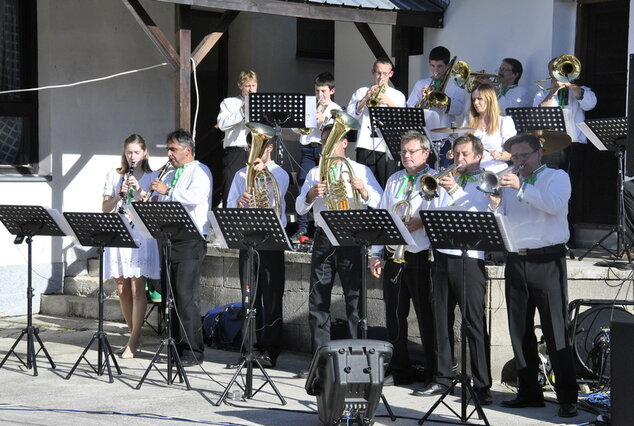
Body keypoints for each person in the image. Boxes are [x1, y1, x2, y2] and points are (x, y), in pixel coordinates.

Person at [488, 133, 578, 418]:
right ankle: (529, 392)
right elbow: (508, 221)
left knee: (555, 329)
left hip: (547, 259)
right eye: (514, 157)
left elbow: (553, 205)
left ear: (539, 153)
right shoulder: (510, 179)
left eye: (524, 156)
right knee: (520, 330)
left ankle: (567, 397)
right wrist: (495, 206)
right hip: (516, 259)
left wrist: (522, 186)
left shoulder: (557, 177)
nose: (519, 162)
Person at [413, 134, 492, 406]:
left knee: (473, 323)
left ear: (478, 156)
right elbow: (431, 214)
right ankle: (442, 377)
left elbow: (480, 213)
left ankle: (482, 385)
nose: (459, 159)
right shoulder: (443, 179)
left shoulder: (485, 180)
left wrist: (455, 189)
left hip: (469, 260)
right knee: (440, 321)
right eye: (456, 154)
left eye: (465, 155)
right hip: (442, 257)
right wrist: (433, 194)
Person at [295, 123, 382, 367]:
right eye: (325, 143)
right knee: (318, 299)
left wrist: (364, 191)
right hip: (324, 236)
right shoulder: (314, 173)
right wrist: (311, 195)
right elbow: (300, 208)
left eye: (333, 142)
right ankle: (320, 359)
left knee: (354, 300)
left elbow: (380, 201)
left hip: (352, 237)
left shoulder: (360, 170)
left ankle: (357, 361)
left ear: (344, 143)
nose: (328, 147)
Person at [369, 131, 440, 386]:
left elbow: (440, 214)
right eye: (403, 152)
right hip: (393, 254)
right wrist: (375, 254)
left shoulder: (434, 179)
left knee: (426, 315)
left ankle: (434, 374)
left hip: (421, 255)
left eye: (411, 151)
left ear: (426, 153)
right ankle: (400, 370)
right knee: (394, 315)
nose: (406, 156)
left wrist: (422, 222)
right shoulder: (394, 179)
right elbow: (383, 217)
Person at [149, 129, 213, 367]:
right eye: (168, 149)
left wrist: (168, 192)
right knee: (170, 295)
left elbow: (195, 197)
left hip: (191, 240)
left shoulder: (200, 171)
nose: (169, 154)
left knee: (186, 296)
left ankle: (193, 350)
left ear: (187, 150)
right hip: (169, 238)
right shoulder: (170, 173)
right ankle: (173, 344)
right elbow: (167, 199)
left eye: (173, 149)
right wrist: (155, 200)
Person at [226, 132, 289, 369]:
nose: (253, 152)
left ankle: (271, 351)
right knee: (248, 297)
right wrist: (239, 201)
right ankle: (249, 349)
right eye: (251, 146)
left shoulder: (279, 173)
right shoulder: (240, 174)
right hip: (248, 240)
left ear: (269, 148)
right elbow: (230, 204)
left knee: (272, 298)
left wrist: (261, 173)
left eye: (259, 147)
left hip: (271, 241)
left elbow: (275, 203)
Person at [102, 134, 160, 359]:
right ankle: (133, 334)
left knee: (137, 288)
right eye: (129, 152)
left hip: (141, 235)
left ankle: (134, 341)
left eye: (136, 152)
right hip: (119, 232)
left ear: (144, 152)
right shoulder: (114, 175)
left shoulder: (153, 176)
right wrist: (119, 195)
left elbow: (154, 211)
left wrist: (139, 192)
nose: (132, 156)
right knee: (121, 288)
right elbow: (105, 208)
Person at [533, 58, 597, 245]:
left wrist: (572, 86)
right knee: (547, 188)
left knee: (570, 190)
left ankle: (567, 236)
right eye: (554, 71)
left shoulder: (582, 89)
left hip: (574, 147)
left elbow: (589, 104)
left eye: (560, 70)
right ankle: (547, 233)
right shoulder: (542, 93)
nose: (557, 75)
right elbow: (540, 111)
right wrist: (553, 92)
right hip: (550, 147)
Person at [293, 72, 341, 242]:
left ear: (332, 91)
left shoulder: (336, 109)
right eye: (317, 91)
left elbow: (337, 130)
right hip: (307, 148)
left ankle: (320, 226)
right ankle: (302, 229)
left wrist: (324, 119)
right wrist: (306, 120)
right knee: (303, 184)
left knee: (324, 186)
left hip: (324, 149)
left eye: (323, 91)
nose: (320, 95)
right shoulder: (309, 105)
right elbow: (295, 128)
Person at [347, 58, 406, 187]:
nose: (381, 77)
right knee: (364, 185)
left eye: (385, 74)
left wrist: (389, 103)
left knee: (385, 186)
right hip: (365, 145)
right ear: (373, 72)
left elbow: (401, 123)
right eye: (378, 73)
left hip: (386, 147)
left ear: (391, 74)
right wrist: (365, 99)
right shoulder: (361, 92)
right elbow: (350, 118)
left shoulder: (398, 96)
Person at [407, 46, 465, 167]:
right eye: (432, 66)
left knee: (444, 172)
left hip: (445, 138)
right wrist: (422, 100)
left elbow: (459, 109)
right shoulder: (421, 84)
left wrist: (443, 100)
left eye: (439, 66)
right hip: (424, 138)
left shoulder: (455, 86)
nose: (435, 70)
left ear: (448, 66)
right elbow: (410, 110)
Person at [217, 70, 258, 207]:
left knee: (254, 188)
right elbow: (222, 124)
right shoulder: (229, 103)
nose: (251, 89)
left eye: (254, 85)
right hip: (236, 151)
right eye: (247, 86)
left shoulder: (261, 102)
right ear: (240, 86)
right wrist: (242, 111)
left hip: (255, 151)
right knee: (231, 189)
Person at [465, 83, 517, 171]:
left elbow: (513, 153)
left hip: (495, 169)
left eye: (479, 99)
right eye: (474, 100)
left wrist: (500, 155)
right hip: (472, 168)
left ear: (490, 100)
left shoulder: (504, 122)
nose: (475, 103)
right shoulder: (468, 121)